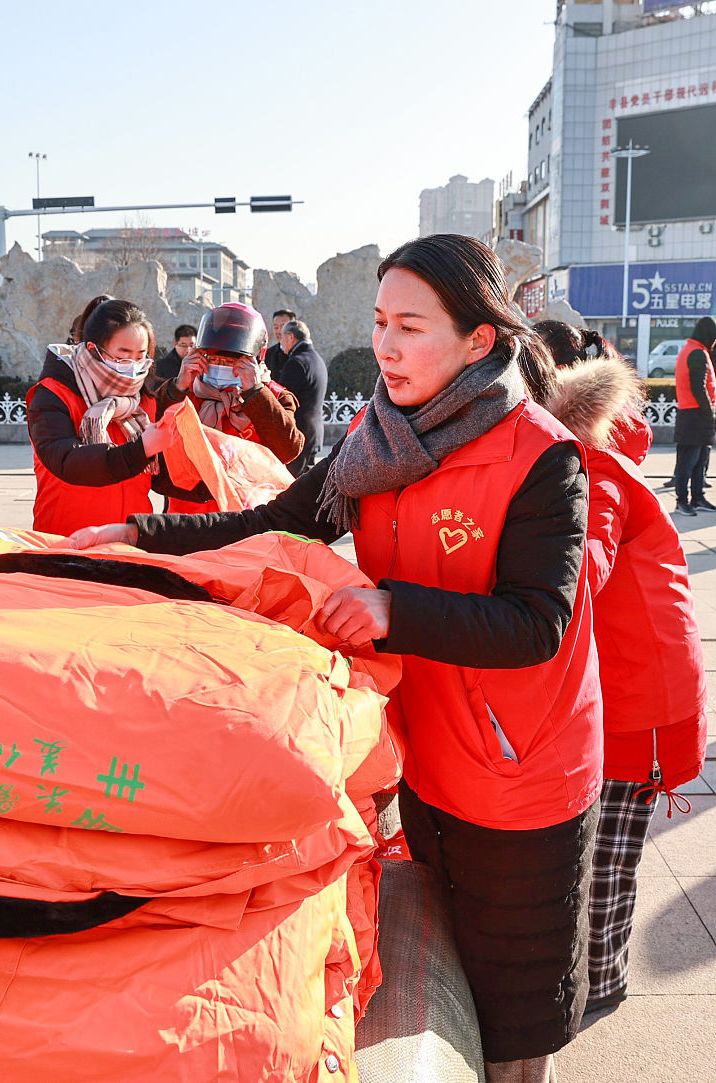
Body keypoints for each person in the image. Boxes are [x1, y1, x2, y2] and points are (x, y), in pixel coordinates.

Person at [71, 234, 602, 1083]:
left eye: (412, 327)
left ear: (480, 341)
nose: (387, 346)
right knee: (445, 982)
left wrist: (396, 608)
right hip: (426, 754)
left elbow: (537, 622)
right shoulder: (378, 438)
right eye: (381, 322)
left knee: (512, 1024)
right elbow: (276, 521)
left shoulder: (541, 457)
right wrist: (141, 535)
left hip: (518, 780)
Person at [526, 322, 706, 1017]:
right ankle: (597, 973)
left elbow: (582, 572)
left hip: (640, 693)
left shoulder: (590, 467)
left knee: (607, 857)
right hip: (629, 678)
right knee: (599, 848)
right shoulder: (589, 452)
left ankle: (602, 982)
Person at [25, 296, 207, 535]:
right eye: (122, 356)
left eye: (140, 356)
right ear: (93, 349)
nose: (132, 366)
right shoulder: (52, 394)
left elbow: (160, 474)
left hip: (128, 538)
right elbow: (68, 462)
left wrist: (214, 483)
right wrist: (141, 449)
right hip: (67, 538)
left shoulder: (144, 401)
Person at [154, 302, 303, 512]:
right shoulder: (187, 388)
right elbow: (153, 441)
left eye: (231, 361)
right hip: (188, 515)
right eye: (214, 359)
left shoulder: (274, 395)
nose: (221, 366)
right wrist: (177, 387)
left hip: (250, 514)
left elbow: (288, 449)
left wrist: (255, 392)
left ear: (254, 360)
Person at [670, 315, 716, 516]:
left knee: (700, 460)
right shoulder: (696, 353)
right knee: (688, 462)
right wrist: (710, 413)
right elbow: (699, 388)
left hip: (695, 414)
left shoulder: (694, 350)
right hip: (695, 415)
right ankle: (682, 501)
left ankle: (698, 497)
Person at [276, 318, 329, 475]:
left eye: (281, 337)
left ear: (291, 337)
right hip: (313, 433)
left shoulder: (297, 363)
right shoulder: (316, 359)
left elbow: (282, 400)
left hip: (298, 437)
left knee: (290, 490)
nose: (280, 342)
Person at [263, 308, 296, 378]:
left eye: (283, 326)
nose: (279, 331)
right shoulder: (269, 353)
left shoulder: (300, 354)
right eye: (276, 327)